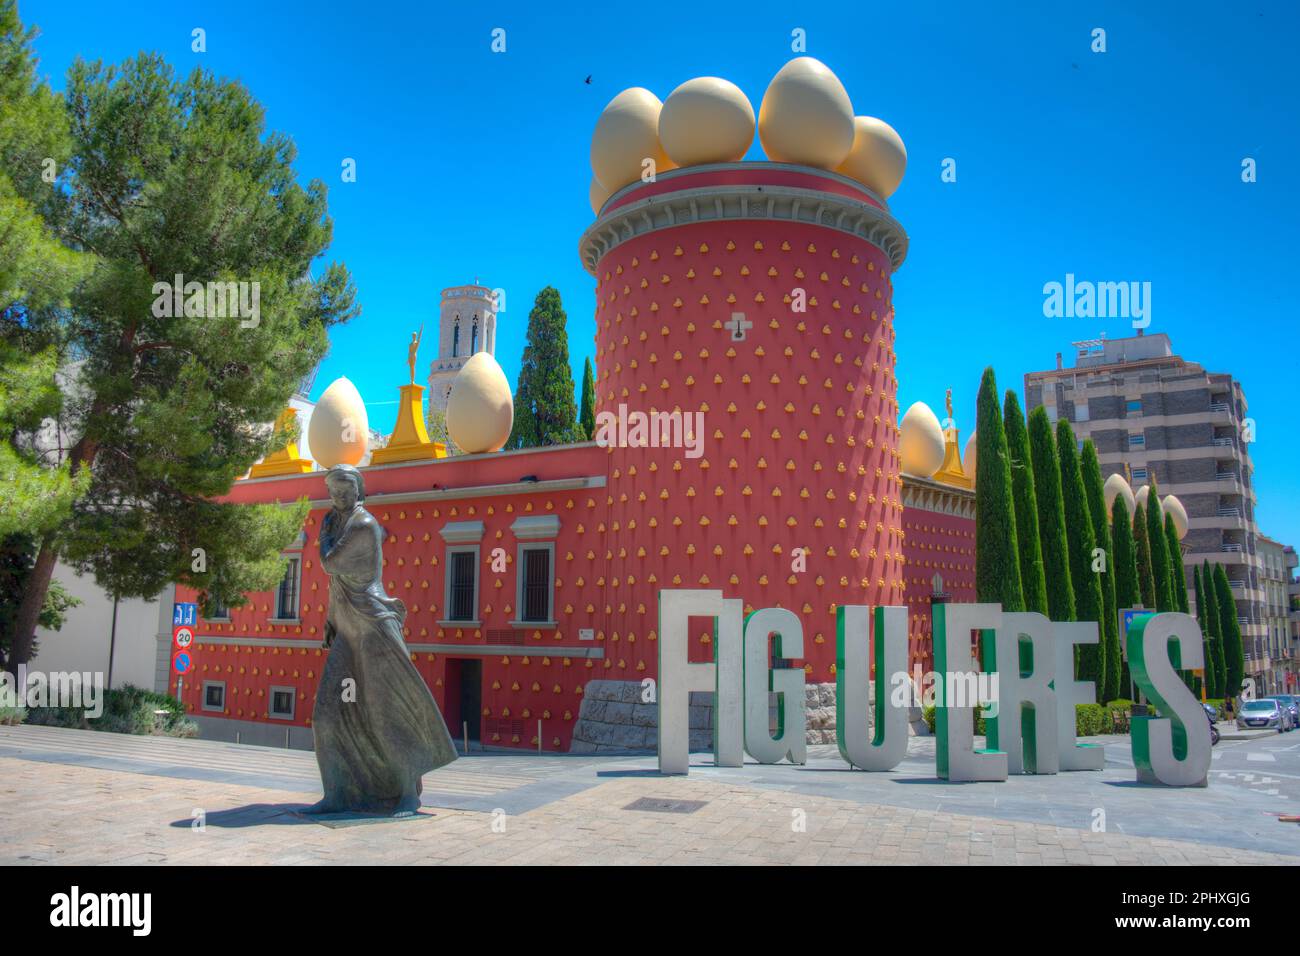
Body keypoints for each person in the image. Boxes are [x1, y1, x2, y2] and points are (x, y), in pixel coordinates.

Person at [305, 464, 455, 816]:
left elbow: (330, 564)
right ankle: (338, 793)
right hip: (347, 628)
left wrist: (324, 530)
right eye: (334, 491)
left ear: (359, 490)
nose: (339, 497)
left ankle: (407, 792)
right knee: (327, 715)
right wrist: (330, 620)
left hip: (373, 626)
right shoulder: (337, 522)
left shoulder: (363, 525)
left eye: (345, 490)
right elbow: (336, 583)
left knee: (387, 713)